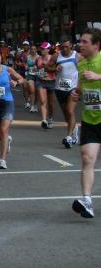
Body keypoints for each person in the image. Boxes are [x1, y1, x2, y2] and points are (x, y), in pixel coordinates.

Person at [71, 28, 101, 218]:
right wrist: (77, 92)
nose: (80, 45)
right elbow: (82, 85)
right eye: (80, 41)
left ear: (96, 45)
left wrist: (99, 77)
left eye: (84, 42)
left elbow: (95, 79)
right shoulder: (81, 64)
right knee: (87, 158)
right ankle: (87, 201)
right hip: (91, 118)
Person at [52, 39, 80, 148]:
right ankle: (74, 129)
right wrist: (55, 68)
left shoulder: (77, 56)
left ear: (71, 46)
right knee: (66, 114)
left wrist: (80, 86)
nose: (64, 49)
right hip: (59, 89)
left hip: (72, 88)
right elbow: (47, 67)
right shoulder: (56, 56)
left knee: (70, 110)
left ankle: (69, 137)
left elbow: (84, 68)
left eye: (67, 47)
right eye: (62, 47)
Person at [36, 42, 58, 129]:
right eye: (41, 48)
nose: (41, 50)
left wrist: (48, 68)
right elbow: (37, 67)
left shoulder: (52, 58)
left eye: (43, 49)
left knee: (51, 103)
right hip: (41, 81)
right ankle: (44, 120)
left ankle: (50, 118)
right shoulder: (38, 58)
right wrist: (36, 70)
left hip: (51, 81)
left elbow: (57, 69)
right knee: (42, 101)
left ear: (48, 50)